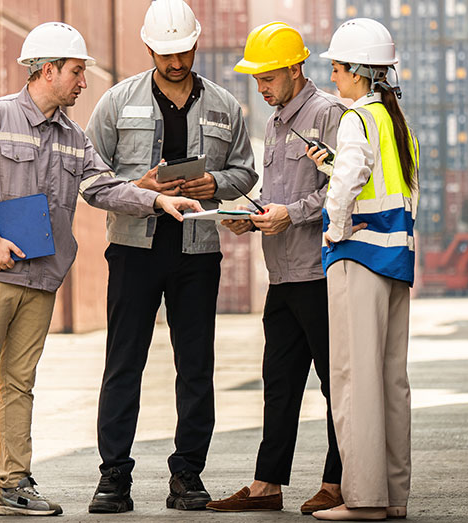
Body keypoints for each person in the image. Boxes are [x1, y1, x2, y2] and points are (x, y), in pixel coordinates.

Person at [0, 21, 203, 520]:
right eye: (78, 72)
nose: (84, 82)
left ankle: (15, 485)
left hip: (41, 278)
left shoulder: (73, 137)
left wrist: (155, 201)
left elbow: (103, 188)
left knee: (20, 383)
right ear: (48, 70)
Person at [83, 0, 256, 513]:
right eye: (165, 53)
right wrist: (140, 187)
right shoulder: (115, 102)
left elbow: (245, 173)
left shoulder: (226, 105)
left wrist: (215, 183)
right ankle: (113, 476)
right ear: (149, 47)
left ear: (195, 44)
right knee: (124, 363)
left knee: (196, 365)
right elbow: (91, 181)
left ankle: (188, 475)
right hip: (134, 250)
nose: (175, 62)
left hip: (197, 251)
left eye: (183, 51)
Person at [204, 22, 347, 515]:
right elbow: (279, 194)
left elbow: (342, 191)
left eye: (267, 77)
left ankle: (339, 481)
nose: (260, 88)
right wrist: (253, 214)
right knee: (279, 382)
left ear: (294, 68)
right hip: (282, 275)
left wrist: (292, 214)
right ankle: (268, 486)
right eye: (256, 79)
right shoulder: (276, 121)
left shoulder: (330, 115)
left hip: (320, 274)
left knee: (335, 384)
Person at [306, 18, 418, 521]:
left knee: (354, 378)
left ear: (357, 70)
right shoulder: (396, 122)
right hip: (396, 259)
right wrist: (333, 166)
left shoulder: (356, 118)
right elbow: (381, 181)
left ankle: (364, 499)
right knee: (391, 379)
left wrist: (333, 226)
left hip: (358, 257)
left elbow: (351, 180)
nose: (332, 77)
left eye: (336, 67)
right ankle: (392, 497)